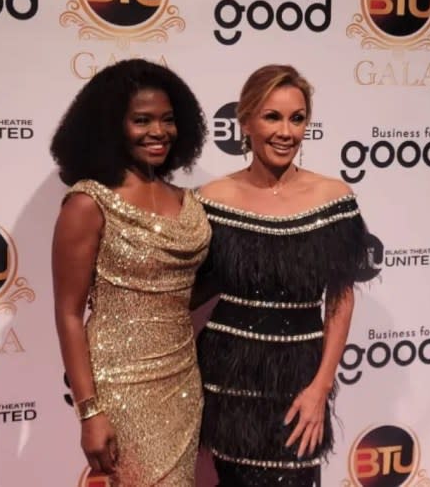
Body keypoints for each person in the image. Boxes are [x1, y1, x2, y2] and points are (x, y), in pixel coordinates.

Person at [194, 64, 369, 485]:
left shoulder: (333, 198)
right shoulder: (211, 199)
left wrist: (321, 387)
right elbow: (187, 289)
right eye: (272, 116)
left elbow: (340, 299)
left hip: (300, 377)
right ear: (246, 121)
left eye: (297, 118)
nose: (286, 132)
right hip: (228, 375)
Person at [50, 59, 210, 486]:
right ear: (112, 126)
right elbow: (68, 313)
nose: (158, 132)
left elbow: (178, 288)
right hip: (122, 386)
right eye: (141, 120)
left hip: (182, 379)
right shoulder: (89, 203)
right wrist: (89, 411)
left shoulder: (187, 201)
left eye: (167, 120)